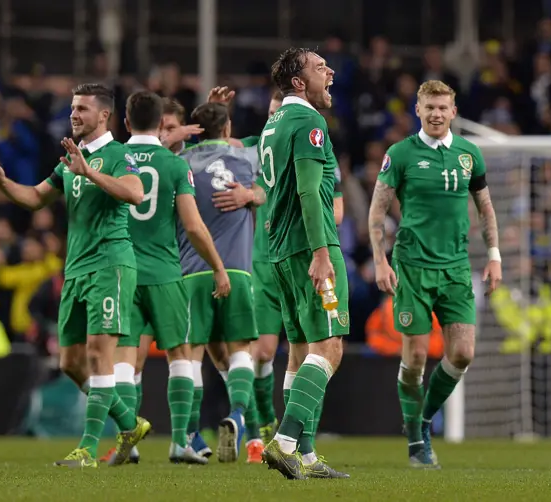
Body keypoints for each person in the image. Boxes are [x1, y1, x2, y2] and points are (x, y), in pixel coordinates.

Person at [0, 83, 150, 468]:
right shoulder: (71, 158)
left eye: (83, 108)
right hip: (76, 270)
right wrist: (2, 182)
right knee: (71, 362)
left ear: (104, 115)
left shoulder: (118, 154)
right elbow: (36, 196)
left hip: (110, 264)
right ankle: (129, 423)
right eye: (73, 107)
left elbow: (135, 193)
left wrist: (90, 172)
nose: (74, 114)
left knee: (97, 354)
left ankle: (86, 449)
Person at [368, 79, 502, 468]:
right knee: (415, 360)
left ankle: (423, 420)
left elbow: (486, 208)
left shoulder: (469, 154)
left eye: (443, 108)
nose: (437, 114)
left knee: (462, 353)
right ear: (418, 110)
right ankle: (416, 440)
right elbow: (378, 210)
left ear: (454, 112)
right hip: (412, 267)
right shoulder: (400, 154)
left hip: (456, 267)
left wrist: (494, 255)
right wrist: (380, 259)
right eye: (430, 108)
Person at [213, 89, 345, 449]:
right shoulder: (274, 139)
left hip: (287, 254)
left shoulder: (301, 143)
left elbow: (334, 209)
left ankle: (297, 443)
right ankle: (276, 433)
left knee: (302, 350)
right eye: (271, 114)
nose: (275, 120)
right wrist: (219, 112)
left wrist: (258, 196)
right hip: (281, 259)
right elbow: (221, 145)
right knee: (305, 349)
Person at [112, 90, 230, 465]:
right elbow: (194, 227)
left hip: (123, 272)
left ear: (126, 122)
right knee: (181, 355)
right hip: (165, 271)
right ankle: (181, 440)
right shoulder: (177, 166)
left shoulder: (112, 158)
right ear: (160, 121)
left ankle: (126, 439)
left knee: (126, 361)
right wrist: (217, 265)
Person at [257, 47, 350, 480]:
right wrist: (322, 253)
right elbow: (311, 193)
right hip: (309, 249)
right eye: (319, 67)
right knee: (330, 347)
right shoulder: (309, 122)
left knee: (299, 352)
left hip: (280, 252)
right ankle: (285, 441)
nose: (329, 72)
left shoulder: (272, 123)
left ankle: (308, 459)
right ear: (299, 83)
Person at [179, 102, 265, 463]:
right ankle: (240, 414)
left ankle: (190, 434)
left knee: (192, 355)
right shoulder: (246, 159)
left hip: (192, 269)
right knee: (241, 349)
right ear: (228, 127)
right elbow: (265, 187)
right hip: (239, 269)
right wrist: (250, 195)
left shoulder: (179, 162)